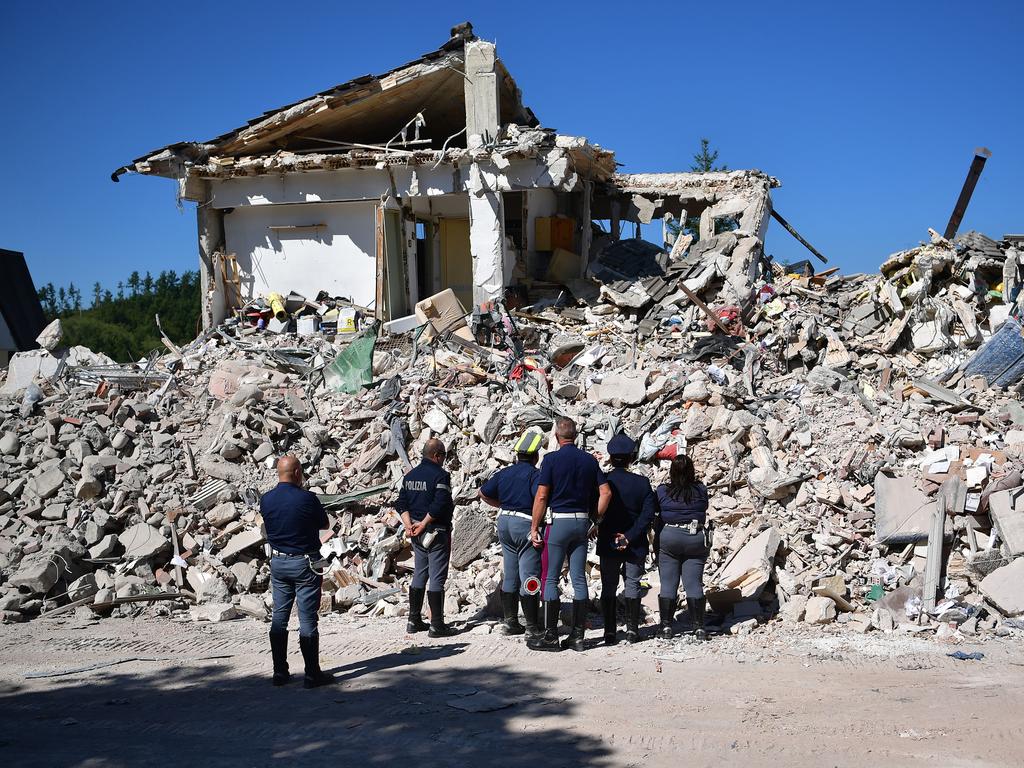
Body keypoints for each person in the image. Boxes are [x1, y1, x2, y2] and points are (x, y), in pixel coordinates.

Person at [528, 417, 612, 652]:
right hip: (582, 522)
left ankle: (551, 636)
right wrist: (596, 518)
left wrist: (534, 527)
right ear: (575, 435)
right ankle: (578, 637)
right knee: (578, 578)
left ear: (556, 436)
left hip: (559, 522)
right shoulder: (588, 460)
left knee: (552, 578)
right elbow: (605, 492)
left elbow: (542, 496)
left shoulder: (551, 460)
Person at [261, 454, 335, 688]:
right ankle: (312, 674)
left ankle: (279, 672)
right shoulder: (307, 499)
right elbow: (324, 524)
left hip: (278, 563)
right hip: (305, 564)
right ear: (296, 473)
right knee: (307, 619)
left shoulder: (266, 500)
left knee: (279, 618)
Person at [479, 429, 543, 638]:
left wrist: (502, 506)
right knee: (529, 574)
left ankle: (510, 622)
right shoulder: (535, 475)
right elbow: (540, 500)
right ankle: (532, 627)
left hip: (504, 522)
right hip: (524, 524)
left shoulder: (504, 473)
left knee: (511, 571)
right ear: (536, 456)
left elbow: (483, 493)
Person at [597, 433, 656, 645]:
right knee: (632, 584)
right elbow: (648, 514)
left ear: (611, 458)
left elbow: (596, 512)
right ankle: (632, 630)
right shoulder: (642, 483)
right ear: (631, 458)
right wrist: (629, 536)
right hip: (635, 542)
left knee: (608, 586)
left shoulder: (603, 482)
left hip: (608, 541)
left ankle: (610, 631)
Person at [397, 438, 455, 638]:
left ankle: (413, 620)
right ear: (437, 455)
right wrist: (424, 523)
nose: (444, 460)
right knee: (437, 577)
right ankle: (437, 624)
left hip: (416, 534)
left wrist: (409, 525)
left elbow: (401, 503)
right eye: (444, 456)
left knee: (420, 574)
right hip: (436, 533)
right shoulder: (441, 476)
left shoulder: (410, 476)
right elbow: (439, 505)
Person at [655, 454, 710, 641]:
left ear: (671, 472)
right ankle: (699, 628)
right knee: (694, 583)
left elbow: (657, 510)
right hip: (695, 537)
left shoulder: (663, 491)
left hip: (669, 536)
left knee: (668, 583)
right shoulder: (701, 490)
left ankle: (666, 627)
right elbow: (705, 506)